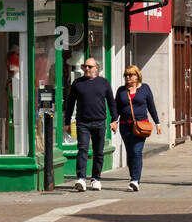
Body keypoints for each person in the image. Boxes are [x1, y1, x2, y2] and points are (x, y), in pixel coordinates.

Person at [63, 57, 116, 192]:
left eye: (89, 67)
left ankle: (96, 179)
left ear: (96, 68)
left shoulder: (103, 83)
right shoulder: (77, 83)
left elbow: (111, 102)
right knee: (83, 150)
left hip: (99, 122)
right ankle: (81, 178)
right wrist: (67, 121)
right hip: (83, 123)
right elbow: (70, 103)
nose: (86, 69)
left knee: (98, 152)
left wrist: (114, 120)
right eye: (84, 66)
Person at [115, 65, 162, 192]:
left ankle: (135, 180)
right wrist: (114, 121)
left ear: (137, 76)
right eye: (126, 75)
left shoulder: (145, 88)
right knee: (130, 153)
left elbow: (151, 107)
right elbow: (116, 108)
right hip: (125, 125)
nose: (128, 77)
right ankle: (133, 177)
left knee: (136, 151)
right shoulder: (121, 91)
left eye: (130, 75)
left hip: (141, 126)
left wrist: (157, 123)